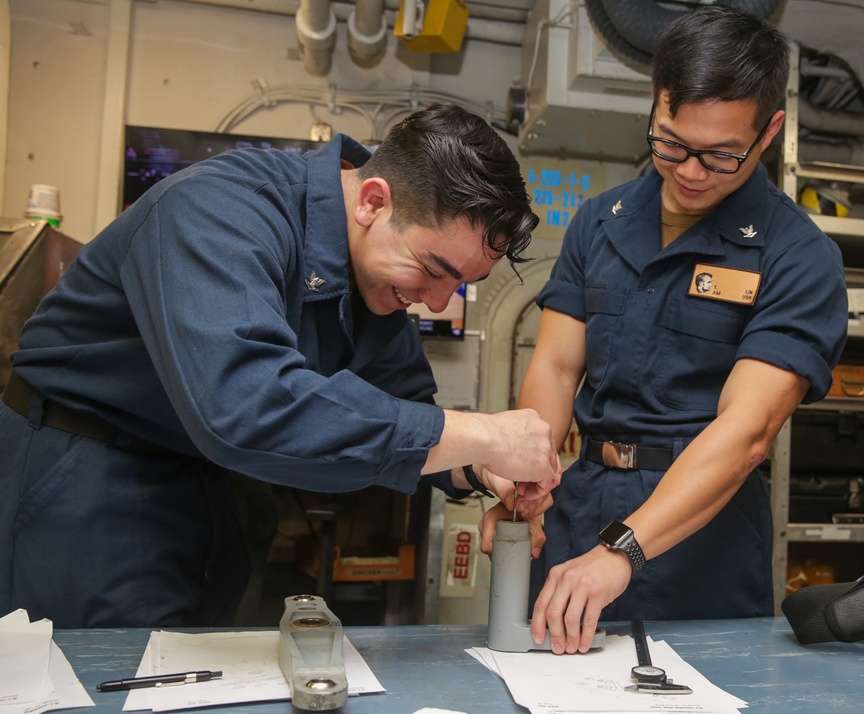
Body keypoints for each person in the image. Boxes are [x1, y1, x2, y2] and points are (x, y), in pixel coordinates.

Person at [0, 103, 560, 628]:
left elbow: (409, 413)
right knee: (106, 684)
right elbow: (244, 405)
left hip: (207, 485)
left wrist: (481, 467)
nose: (438, 303)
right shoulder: (220, 209)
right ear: (372, 201)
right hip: (86, 474)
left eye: (460, 284)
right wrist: (483, 433)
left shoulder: (378, 275)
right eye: (433, 271)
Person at [480, 6, 848, 654]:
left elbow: (746, 432)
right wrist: (526, 481)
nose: (689, 171)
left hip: (699, 537)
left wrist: (624, 546)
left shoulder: (796, 256)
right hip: (581, 503)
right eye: (671, 142)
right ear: (655, 105)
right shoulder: (600, 222)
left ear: (769, 133)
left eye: (720, 155)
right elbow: (557, 367)